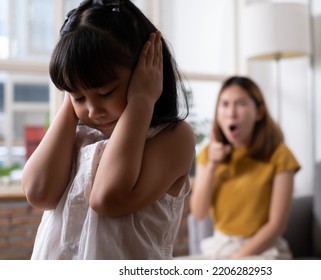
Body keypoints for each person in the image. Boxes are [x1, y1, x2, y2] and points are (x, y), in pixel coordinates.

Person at [22, 0, 195, 260]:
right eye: (78, 97)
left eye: (105, 92)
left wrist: (141, 101)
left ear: (146, 74)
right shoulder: (75, 135)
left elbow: (107, 198)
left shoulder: (173, 137)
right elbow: (38, 192)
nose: (92, 110)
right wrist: (71, 97)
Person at [190, 76, 300, 259]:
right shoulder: (209, 154)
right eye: (224, 104)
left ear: (259, 112)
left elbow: (277, 225)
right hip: (220, 246)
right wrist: (211, 167)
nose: (231, 113)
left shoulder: (280, 156)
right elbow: (199, 213)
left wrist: (236, 260)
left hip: (263, 249)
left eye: (240, 104)